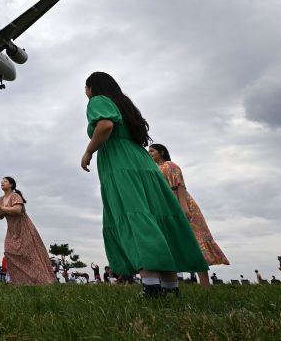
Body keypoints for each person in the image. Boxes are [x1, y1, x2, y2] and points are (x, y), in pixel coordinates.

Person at [80, 72, 208, 298]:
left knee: (134, 215)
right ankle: (171, 287)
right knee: (158, 217)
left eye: (85, 87)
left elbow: (105, 125)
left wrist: (89, 151)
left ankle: (151, 286)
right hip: (142, 162)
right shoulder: (125, 104)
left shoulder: (98, 101)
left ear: (92, 87)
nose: (85, 92)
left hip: (120, 163)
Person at [148, 144, 230, 288]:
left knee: (195, 241)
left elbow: (179, 185)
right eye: (148, 151)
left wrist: (184, 207)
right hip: (166, 207)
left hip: (180, 203)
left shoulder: (170, 165)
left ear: (161, 152)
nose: (150, 153)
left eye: (152, 151)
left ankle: (205, 285)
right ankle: (168, 285)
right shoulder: (153, 169)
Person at [0, 177, 55, 284]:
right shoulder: (1, 199)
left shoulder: (15, 196)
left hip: (24, 229)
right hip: (12, 230)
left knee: (30, 255)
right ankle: (19, 280)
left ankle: (42, 280)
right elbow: (1, 216)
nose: (2, 183)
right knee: (9, 250)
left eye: (5, 181)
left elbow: (17, 210)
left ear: (11, 185)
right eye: (1, 182)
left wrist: (2, 208)